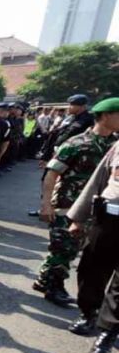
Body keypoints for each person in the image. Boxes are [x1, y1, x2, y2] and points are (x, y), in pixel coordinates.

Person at [35, 100, 118, 307]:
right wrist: (46, 204)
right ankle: (54, 287)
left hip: (98, 209)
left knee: (75, 247)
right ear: (106, 116)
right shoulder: (77, 143)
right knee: (64, 248)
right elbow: (52, 173)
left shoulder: (114, 146)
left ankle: (44, 280)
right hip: (68, 205)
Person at [65, 118, 119, 353]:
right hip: (108, 219)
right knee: (91, 267)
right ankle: (88, 313)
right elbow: (98, 180)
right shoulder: (118, 147)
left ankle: (107, 333)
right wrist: (78, 217)